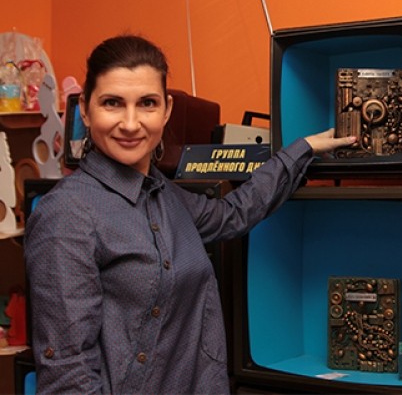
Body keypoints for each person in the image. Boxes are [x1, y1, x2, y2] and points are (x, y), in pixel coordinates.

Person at [24, 34, 355, 394]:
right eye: (112, 103)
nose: (131, 123)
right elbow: (68, 372)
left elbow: (233, 213)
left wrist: (303, 149)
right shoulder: (67, 214)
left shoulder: (165, 195)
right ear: (86, 111)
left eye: (147, 103)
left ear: (166, 110)